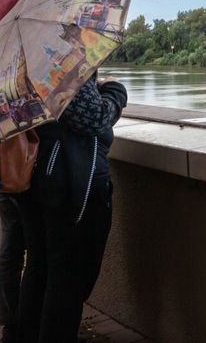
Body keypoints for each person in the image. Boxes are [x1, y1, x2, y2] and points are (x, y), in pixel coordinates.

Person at [17, 74, 128, 342]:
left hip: (33, 176)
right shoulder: (54, 54)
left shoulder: (18, 53)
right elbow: (94, 118)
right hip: (70, 183)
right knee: (68, 278)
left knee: (41, 266)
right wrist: (115, 91)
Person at [0, 193, 25, 342]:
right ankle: (26, 322)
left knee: (10, 255)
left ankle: (10, 324)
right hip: (27, 188)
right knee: (39, 260)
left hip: (6, 185)